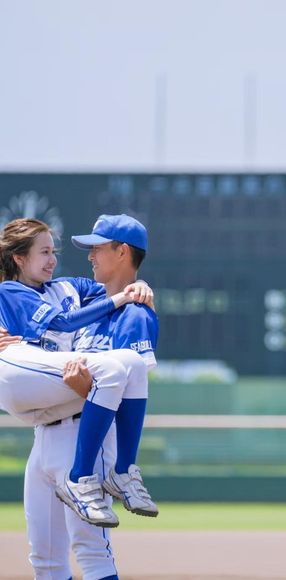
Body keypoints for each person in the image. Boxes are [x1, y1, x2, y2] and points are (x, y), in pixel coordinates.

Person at [21, 213, 159, 580]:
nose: (90, 256)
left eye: (98, 248)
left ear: (122, 251)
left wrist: (85, 389)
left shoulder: (135, 315)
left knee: (92, 553)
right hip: (44, 436)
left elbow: (130, 392)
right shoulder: (85, 301)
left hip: (88, 437)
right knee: (45, 559)